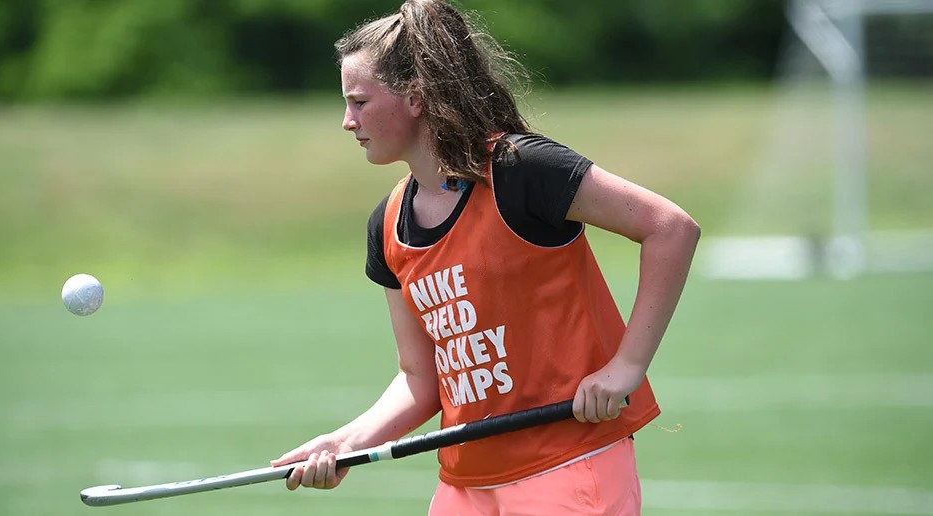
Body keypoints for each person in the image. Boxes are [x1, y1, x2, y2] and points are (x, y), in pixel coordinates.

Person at [271, 0, 700, 513]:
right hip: (464, 483)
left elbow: (670, 228)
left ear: (414, 96)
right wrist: (346, 442)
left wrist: (626, 366)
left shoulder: (522, 171)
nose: (347, 121)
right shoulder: (387, 223)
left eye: (359, 101)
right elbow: (419, 378)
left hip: (565, 465)